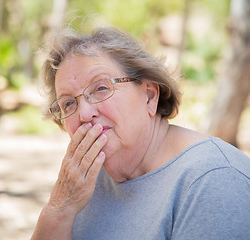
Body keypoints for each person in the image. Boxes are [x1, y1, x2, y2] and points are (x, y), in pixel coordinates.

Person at [31, 27, 250, 240]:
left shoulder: (213, 181)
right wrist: (59, 208)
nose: (85, 113)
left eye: (101, 88)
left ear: (149, 96)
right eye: (69, 103)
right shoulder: (81, 181)